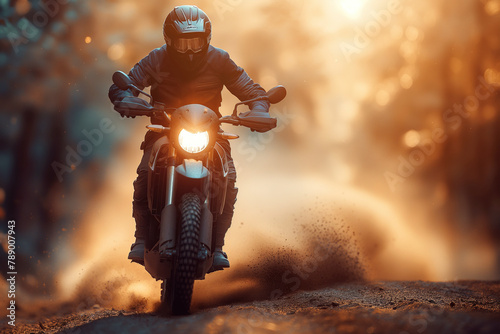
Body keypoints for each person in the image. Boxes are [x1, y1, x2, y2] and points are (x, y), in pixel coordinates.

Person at [108, 5, 270, 269]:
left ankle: (217, 246)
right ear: (169, 41)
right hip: (164, 131)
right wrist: (125, 98)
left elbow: (251, 90)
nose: (190, 50)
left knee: (227, 178)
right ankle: (140, 239)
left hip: (211, 133)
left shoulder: (220, 59)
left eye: (195, 42)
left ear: (206, 39)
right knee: (145, 174)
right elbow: (126, 83)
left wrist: (259, 109)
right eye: (182, 44)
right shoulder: (156, 59)